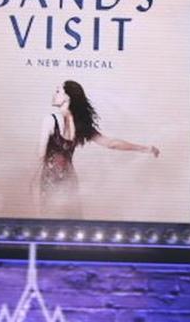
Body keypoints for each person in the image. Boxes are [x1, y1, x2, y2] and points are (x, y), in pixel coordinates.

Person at [36, 80, 158, 218]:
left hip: (50, 180)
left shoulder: (50, 120)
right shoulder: (81, 125)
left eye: (58, 91)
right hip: (69, 180)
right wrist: (145, 148)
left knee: (52, 224)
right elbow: (111, 143)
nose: (54, 94)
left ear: (67, 97)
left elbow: (40, 156)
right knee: (72, 223)